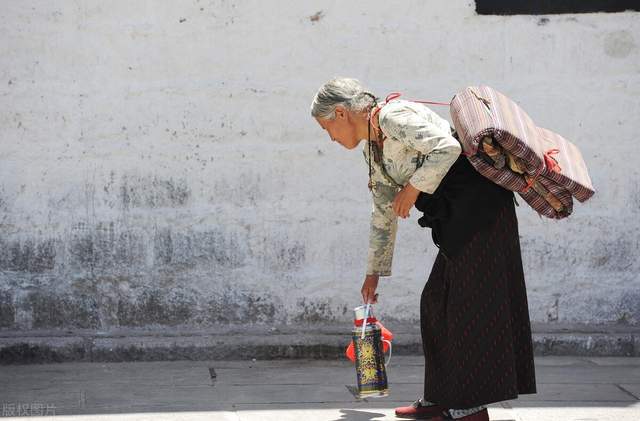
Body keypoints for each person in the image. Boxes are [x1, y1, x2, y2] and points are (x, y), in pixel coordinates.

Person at [310, 78, 537, 420]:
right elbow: (384, 211)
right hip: (456, 220)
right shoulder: (374, 149)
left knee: (466, 309)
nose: (329, 136)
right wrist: (373, 274)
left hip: (481, 209)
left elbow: (447, 148)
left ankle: (470, 408)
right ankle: (440, 398)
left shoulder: (392, 117)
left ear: (341, 113)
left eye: (327, 127)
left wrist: (413, 188)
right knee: (435, 304)